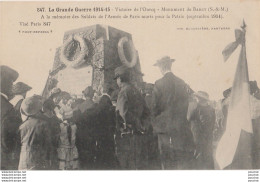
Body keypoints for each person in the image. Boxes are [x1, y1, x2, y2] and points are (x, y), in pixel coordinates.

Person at [151, 56, 194, 169]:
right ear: (170, 65)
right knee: (180, 161)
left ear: (161, 67)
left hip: (164, 129)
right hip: (180, 128)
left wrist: (156, 123)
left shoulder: (158, 83)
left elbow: (154, 107)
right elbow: (186, 104)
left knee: (166, 162)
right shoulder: (181, 82)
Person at [114, 65, 150, 169]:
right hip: (139, 134)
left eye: (117, 79)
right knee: (137, 163)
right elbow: (147, 112)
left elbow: (122, 114)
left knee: (126, 165)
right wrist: (141, 126)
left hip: (127, 135)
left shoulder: (123, 92)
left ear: (120, 79)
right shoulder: (137, 91)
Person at [18, 95, 51, 170]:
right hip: (38, 158)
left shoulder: (22, 126)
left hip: (23, 158)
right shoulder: (43, 124)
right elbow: (48, 144)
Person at [187, 91, 215, 169]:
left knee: (199, 155)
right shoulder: (211, 109)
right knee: (208, 155)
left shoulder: (197, 109)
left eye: (197, 98)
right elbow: (212, 123)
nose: (196, 99)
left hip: (198, 135)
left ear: (200, 99)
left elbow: (188, 119)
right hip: (208, 136)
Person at [0, 65, 20, 170]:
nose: (12, 86)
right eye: (11, 83)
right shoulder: (8, 109)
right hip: (4, 161)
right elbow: (9, 142)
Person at [95, 95, 117, 169]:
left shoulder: (98, 110)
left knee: (101, 153)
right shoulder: (112, 110)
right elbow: (114, 124)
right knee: (110, 152)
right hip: (109, 135)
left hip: (100, 135)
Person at [57, 97, 79, 170]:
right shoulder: (74, 126)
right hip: (73, 150)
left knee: (63, 168)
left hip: (63, 151)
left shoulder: (61, 126)